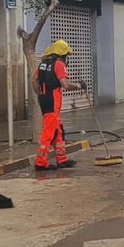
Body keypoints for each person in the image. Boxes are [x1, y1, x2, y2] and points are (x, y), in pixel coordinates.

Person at [35, 39, 81, 171]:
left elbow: (34, 80)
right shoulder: (59, 64)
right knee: (49, 132)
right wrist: (78, 86)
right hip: (53, 99)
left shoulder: (43, 64)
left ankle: (62, 159)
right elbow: (65, 85)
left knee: (58, 130)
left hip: (44, 98)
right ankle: (40, 162)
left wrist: (40, 94)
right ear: (63, 54)